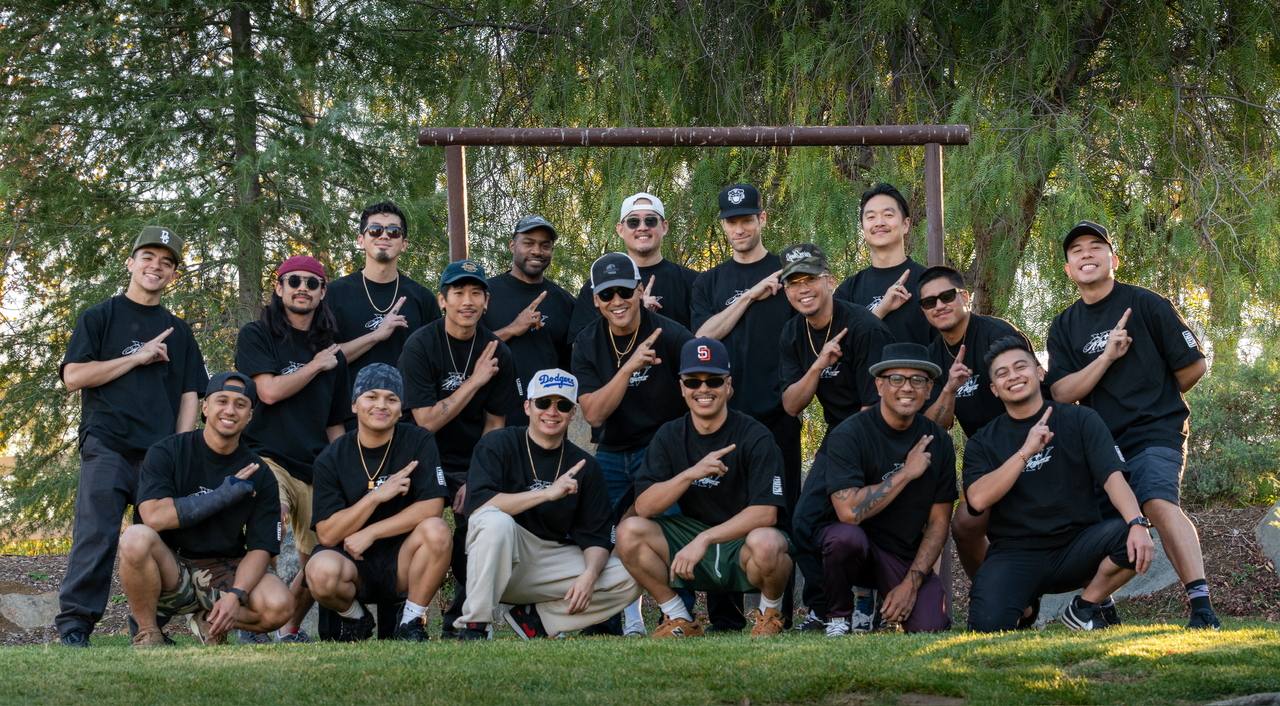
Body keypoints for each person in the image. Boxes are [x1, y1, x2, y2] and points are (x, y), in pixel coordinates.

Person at [1046, 221, 1217, 629]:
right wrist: (1104, 358)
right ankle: (1102, 612)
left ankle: (1202, 608)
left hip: (1156, 430)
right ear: (1068, 269)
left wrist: (1155, 396)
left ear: (1113, 259)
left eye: (1095, 247)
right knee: (1096, 525)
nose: (1086, 254)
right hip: (1103, 443)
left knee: (1157, 503)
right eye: (1076, 251)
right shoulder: (1064, 326)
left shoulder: (1146, 304)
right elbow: (1062, 393)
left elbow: (1194, 365)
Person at [57, 227, 208, 648]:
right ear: (130, 263)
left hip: (159, 454)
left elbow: (189, 394)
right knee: (96, 535)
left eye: (166, 261)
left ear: (173, 275)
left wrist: (180, 449)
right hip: (107, 443)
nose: (155, 266)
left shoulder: (179, 330)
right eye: (148, 257)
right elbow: (74, 377)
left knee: (155, 541)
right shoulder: (99, 317)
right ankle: (75, 625)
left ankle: (148, 627)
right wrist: (136, 356)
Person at [964, 335, 1155, 632]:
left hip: (1078, 548)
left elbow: (1112, 478)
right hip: (1016, 554)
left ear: (1039, 373)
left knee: (1128, 534)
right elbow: (977, 499)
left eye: (1020, 367)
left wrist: (1137, 523)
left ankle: (1084, 607)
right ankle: (1027, 608)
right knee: (986, 625)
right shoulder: (983, 441)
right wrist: (1025, 451)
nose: (1013, 376)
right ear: (994, 390)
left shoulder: (1081, 419)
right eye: (1002, 374)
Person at [616, 338, 793, 638]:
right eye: (693, 381)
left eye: (713, 380)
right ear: (682, 386)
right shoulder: (670, 434)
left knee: (768, 542)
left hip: (742, 545)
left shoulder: (755, 435)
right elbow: (644, 506)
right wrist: (689, 474)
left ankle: (769, 615)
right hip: (691, 536)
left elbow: (766, 514)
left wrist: (705, 539)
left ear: (728, 386)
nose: (703, 389)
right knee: (629, 530)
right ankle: (680, 618)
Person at [454, 369, 642, 640]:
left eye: (563, 405)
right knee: (495, 521)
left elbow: (597, 538)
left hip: (545, 560)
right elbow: (479, 507)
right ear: (527, 406)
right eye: (543, 403)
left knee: (630, 576)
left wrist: (589, 575)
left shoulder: (584, 466)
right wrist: (547, 494)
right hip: (494, 556)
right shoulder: (498, 443)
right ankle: (476, 626)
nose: (552, 412)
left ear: (573, 413)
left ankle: (536, 620)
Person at [691, 183, 800, 630]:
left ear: (762, 220)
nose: (739, 227)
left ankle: (779, 614)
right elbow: (702, 339)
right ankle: (726, 617)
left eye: (747, 219)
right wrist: (753, 294)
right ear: (723, 226)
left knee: (781, 512)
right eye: (732, 221)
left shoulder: (789, 271)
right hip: (722, 420)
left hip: (779, 416)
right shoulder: (709, 281)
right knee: (722, 512)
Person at [570, 252, 694, 635]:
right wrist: (628, 368)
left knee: (666, 528)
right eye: (607, 295)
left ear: (640, 290)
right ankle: (607, 618)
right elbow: (593, 414)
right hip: (611, 449)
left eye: (626, 290)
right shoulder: (587, 342)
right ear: (595, 300)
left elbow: (703, 388)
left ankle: (680, 616)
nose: (617, 301)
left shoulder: (671, 335)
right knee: (601, 533)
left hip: (662, 450)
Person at [119, 372, 292, 646]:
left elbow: (261, 548)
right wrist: (222, 495)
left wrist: (236, 595)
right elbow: (153, 516)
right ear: (206, 407)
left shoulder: (260, 473)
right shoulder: (168, 452)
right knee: (134, 538)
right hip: (170, 568)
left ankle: (208, 619)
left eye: (240, 404)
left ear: (250, 416)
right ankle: (148, 632)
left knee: (280, 605)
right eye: (222, 401)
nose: (230, 410)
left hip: (222, 570)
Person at [236, 255, 353, 642]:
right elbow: (267, 391)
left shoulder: (332, 354)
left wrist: (349, 471)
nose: (302, 288)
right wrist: (316, 366)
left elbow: (335, 422)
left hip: (317, 466)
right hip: (267, 455)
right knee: (273, 521)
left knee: (319, 557)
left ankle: (289, 628)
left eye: (312, 283)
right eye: (294, 281)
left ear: (322, 293)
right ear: (279, 287)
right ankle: (251, 619)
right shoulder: (258, 334)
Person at [399, 259, 519, 637]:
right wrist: (475, 380)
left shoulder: (499, 351)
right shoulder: (420, 344)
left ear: (486, 301)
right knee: (424, 531)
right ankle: (409, 619)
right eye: (458, 293)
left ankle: (466, 620)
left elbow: (495, 424)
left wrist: (478, 478)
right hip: (423, 456)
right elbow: (426, 421)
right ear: (443, 300)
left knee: (477, 531)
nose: (467, 301)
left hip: (474, 458)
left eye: (475, 293)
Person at [778, 242, 893, 631]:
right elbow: (792, 405)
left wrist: (849, 460)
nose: (802, 288)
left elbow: (874, 405)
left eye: (809, 278)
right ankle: (824, 608)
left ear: (830, 280)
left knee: (871, 518)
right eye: (793, 282)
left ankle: (870, 601)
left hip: (877, 431)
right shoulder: (793, 334)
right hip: (838, 433)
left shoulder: (863, 326)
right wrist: (818, 365)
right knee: (804, 522)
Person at [812, 343, 956, 635]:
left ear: (929, 389)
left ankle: (883, 599)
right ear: (879, 385)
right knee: (844, 538)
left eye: (917, 380)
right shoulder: (849, 434)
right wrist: (906, 473)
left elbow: (939, 522)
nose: (907, 388)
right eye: (896, 379)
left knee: (930, 626)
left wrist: (911, 584)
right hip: (855, 544)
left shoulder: (939, 442)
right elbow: (849, 512)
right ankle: (839, 617)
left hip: (901, 552)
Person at [305, 364, 453, 642]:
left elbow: (432, 508)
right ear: (354, 405)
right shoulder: (331, 457)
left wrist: (370, 532)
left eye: (391, 399)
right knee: (319, 571)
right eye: (371, 397)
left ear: (401, 408)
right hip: (351, 562)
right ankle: (356, 618)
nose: (380, 405)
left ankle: (410, 624)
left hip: (403, 559)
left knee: (437, 530)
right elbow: (327, 533)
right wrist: (376, 496)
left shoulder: (418, 440)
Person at [915, 265, 1036, 579]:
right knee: (965, 525)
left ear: (964, 297)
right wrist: (949, 390)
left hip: (1031, 440)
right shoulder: (933, 357)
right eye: (929, 302)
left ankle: (1098, 600)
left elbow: (1032, 391)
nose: (939, 305)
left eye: (946, 296)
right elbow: (934, 426)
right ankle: (992, 593)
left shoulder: (997, 334)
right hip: (985, 453)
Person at [327, 201, 442, 421]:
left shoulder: (422, 298)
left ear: (404, 243)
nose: (384, 236)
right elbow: (324, 359)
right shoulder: (333, 294)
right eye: (375, 229)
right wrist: (376, 335)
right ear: (361, 240)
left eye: (393, 231)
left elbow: (434, 364)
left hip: (407, 419)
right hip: (349, 418)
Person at [482, 215, 576, 426]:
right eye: (528, 243)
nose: (537, 251)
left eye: (545, 245)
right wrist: (512, 329)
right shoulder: (485, 294)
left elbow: (574, 365)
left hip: (547, 423)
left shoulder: (566, 302)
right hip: (491, 422)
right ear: (512, 245)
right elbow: (465, 352)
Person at [568, 193, 700, 340]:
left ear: (664, 227)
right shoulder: (598, 284)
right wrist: (634, 313)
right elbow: (579, 346)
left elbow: (703, 339)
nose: (642, 228)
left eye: (650, 221)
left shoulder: (694, 281)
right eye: (633, 222)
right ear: (620, 230)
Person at [834, 183, 935, 347]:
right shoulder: (848, 291)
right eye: (871, 217)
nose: (879, 223)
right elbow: (837, 346)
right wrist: (881, 309)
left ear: (905, 225)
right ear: (863, 227)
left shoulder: (929, 283)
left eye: (888, 215)